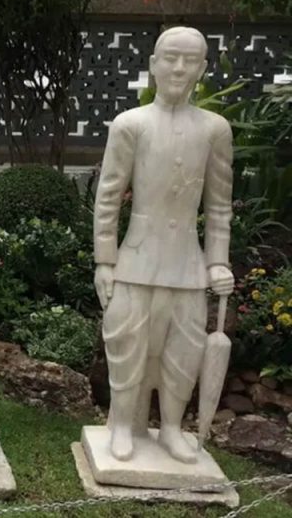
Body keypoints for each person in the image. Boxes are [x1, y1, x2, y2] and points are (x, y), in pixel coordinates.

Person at [93, 26, 234, 464]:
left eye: (190, 60)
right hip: (136, 259)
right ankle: (122, 424)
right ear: (153, 64)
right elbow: (108, 196)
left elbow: (219, 206)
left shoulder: (215, 130)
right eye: (170, 57)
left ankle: (171, 427)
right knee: (127, 342)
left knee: (183, 351)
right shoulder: (131, 125)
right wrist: (104, 261)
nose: (178, 68)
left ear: (202, 69)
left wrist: (217, 262)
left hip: (187, 264)